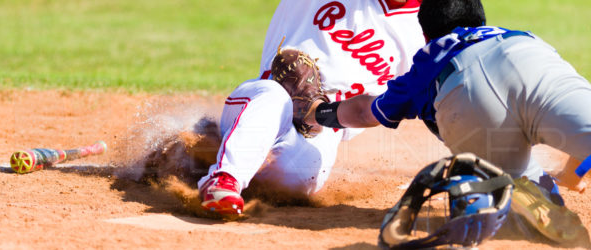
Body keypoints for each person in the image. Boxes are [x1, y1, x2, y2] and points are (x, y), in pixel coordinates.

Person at [303, 0, 591, 243]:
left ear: (426, 34)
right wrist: (571, 170)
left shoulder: (429, 58)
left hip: (464, 85)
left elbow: (366, 113)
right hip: (534, 58)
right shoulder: (518, 34)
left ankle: (515, 185)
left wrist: (317, 111)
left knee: (522, 198)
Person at [197, 0, 426, 215]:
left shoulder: (424, 30)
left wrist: (317, 113)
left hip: (324, 128)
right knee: (275, 96)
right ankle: (224, 177)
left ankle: (206, 155)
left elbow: (367, 112)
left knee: (300, 178)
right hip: (263, 99)